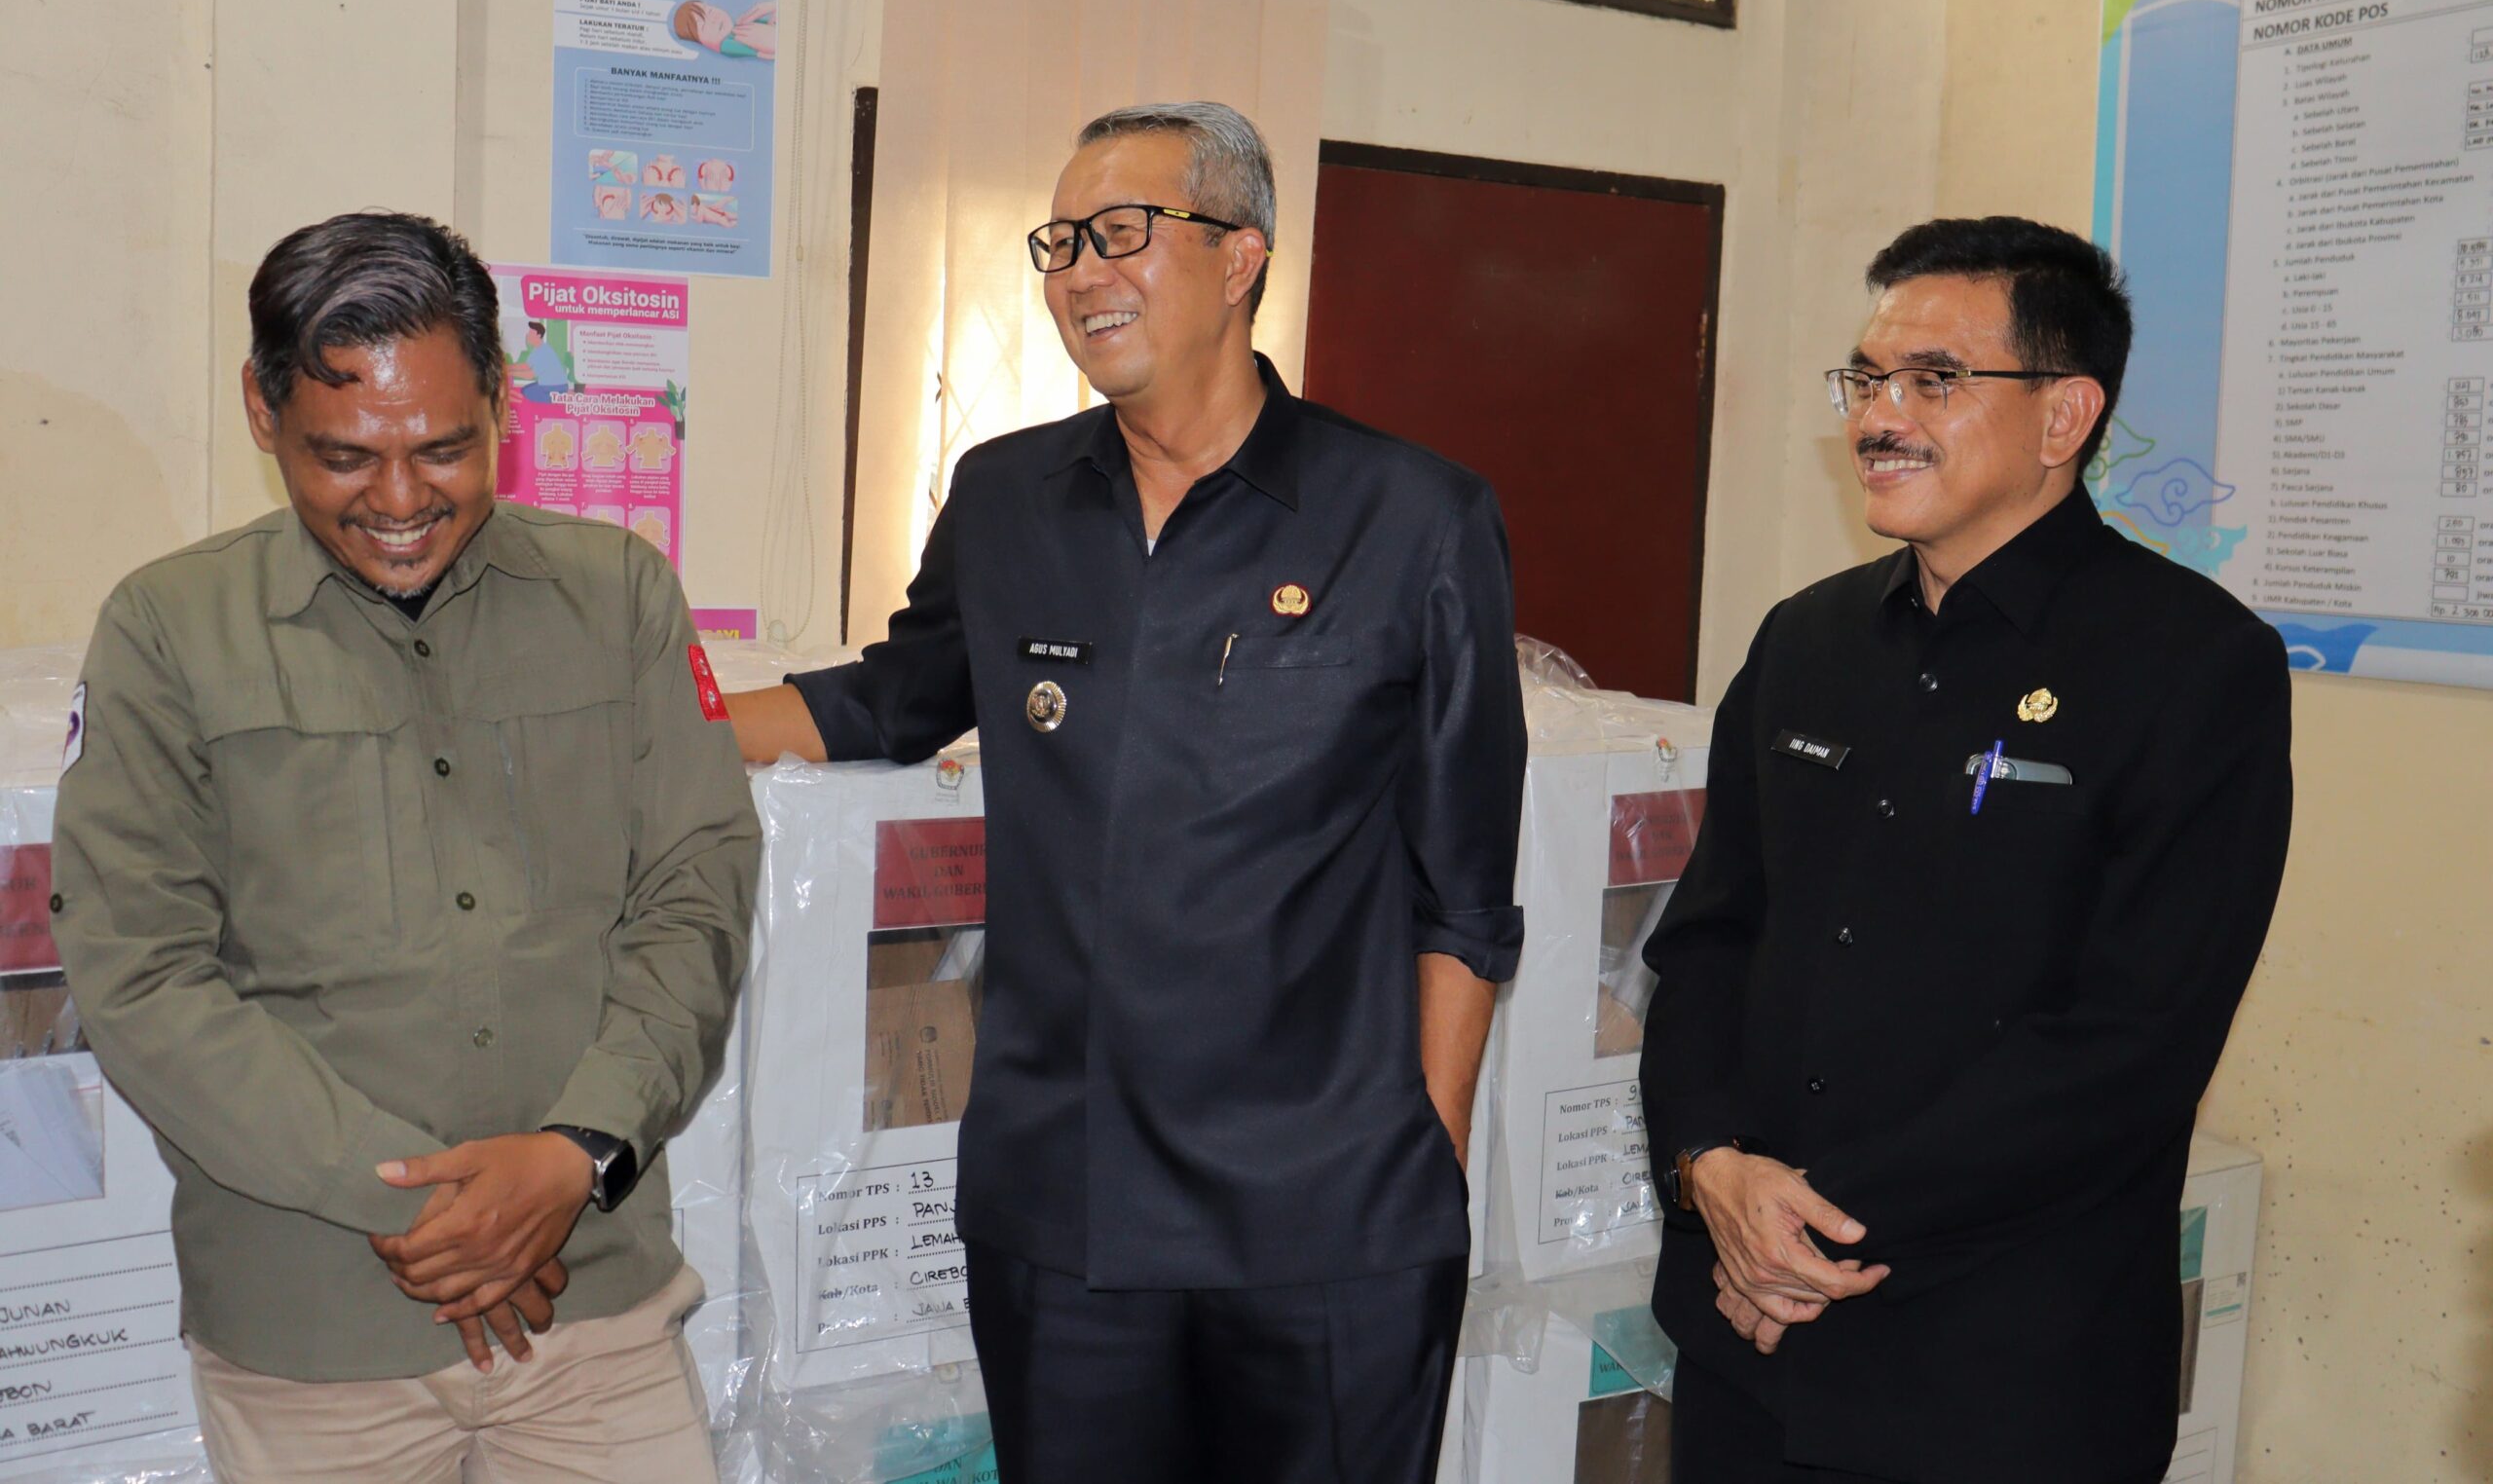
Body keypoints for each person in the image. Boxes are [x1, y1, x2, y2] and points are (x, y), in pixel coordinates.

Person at [727, 101, 1527, 1484]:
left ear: (1239, 256)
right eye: (1060, 243)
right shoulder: (1008, 498)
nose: (1081, 273)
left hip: (1328, 1217)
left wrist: (1420, 1162)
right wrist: (649, 722)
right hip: (1066, 1206)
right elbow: (891, 696)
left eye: (1120, 234)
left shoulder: (1411, 517)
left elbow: (1464, 887)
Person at [51, 211, 759, 1483]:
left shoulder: (619, 598)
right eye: (344, 456)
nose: (398, 500)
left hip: (592, 1305)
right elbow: (142, 975)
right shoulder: (168, 630)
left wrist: (578, 1151)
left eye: (444, 448)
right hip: (313, 1331)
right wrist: (434, 1210)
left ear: (502, 400)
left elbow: (694, 891)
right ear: (263, 409)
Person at [1640, 217, 2292, 1484]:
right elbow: (1710, 939)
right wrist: (1709, 1164)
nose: (1878, 416)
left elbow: (2131, 1042)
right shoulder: (1804, 641)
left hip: (1999, 1373)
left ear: (2064, 417)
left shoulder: (2192, 665)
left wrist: (1809, 1228)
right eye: (1865, 378)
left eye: (1934, 379)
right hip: (1746, 1345)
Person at [516, 318, 573, 403]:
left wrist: (510, 373)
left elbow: (530, 375)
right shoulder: (537, 349)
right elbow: (526, 366)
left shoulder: (545, 351)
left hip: (555, 386)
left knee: (526, 392)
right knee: (525, 389)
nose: (528, 335)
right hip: (548, 384)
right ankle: (558, 395)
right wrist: (508, 368)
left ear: (539, 335)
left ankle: (558, 396)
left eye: (531, 333)